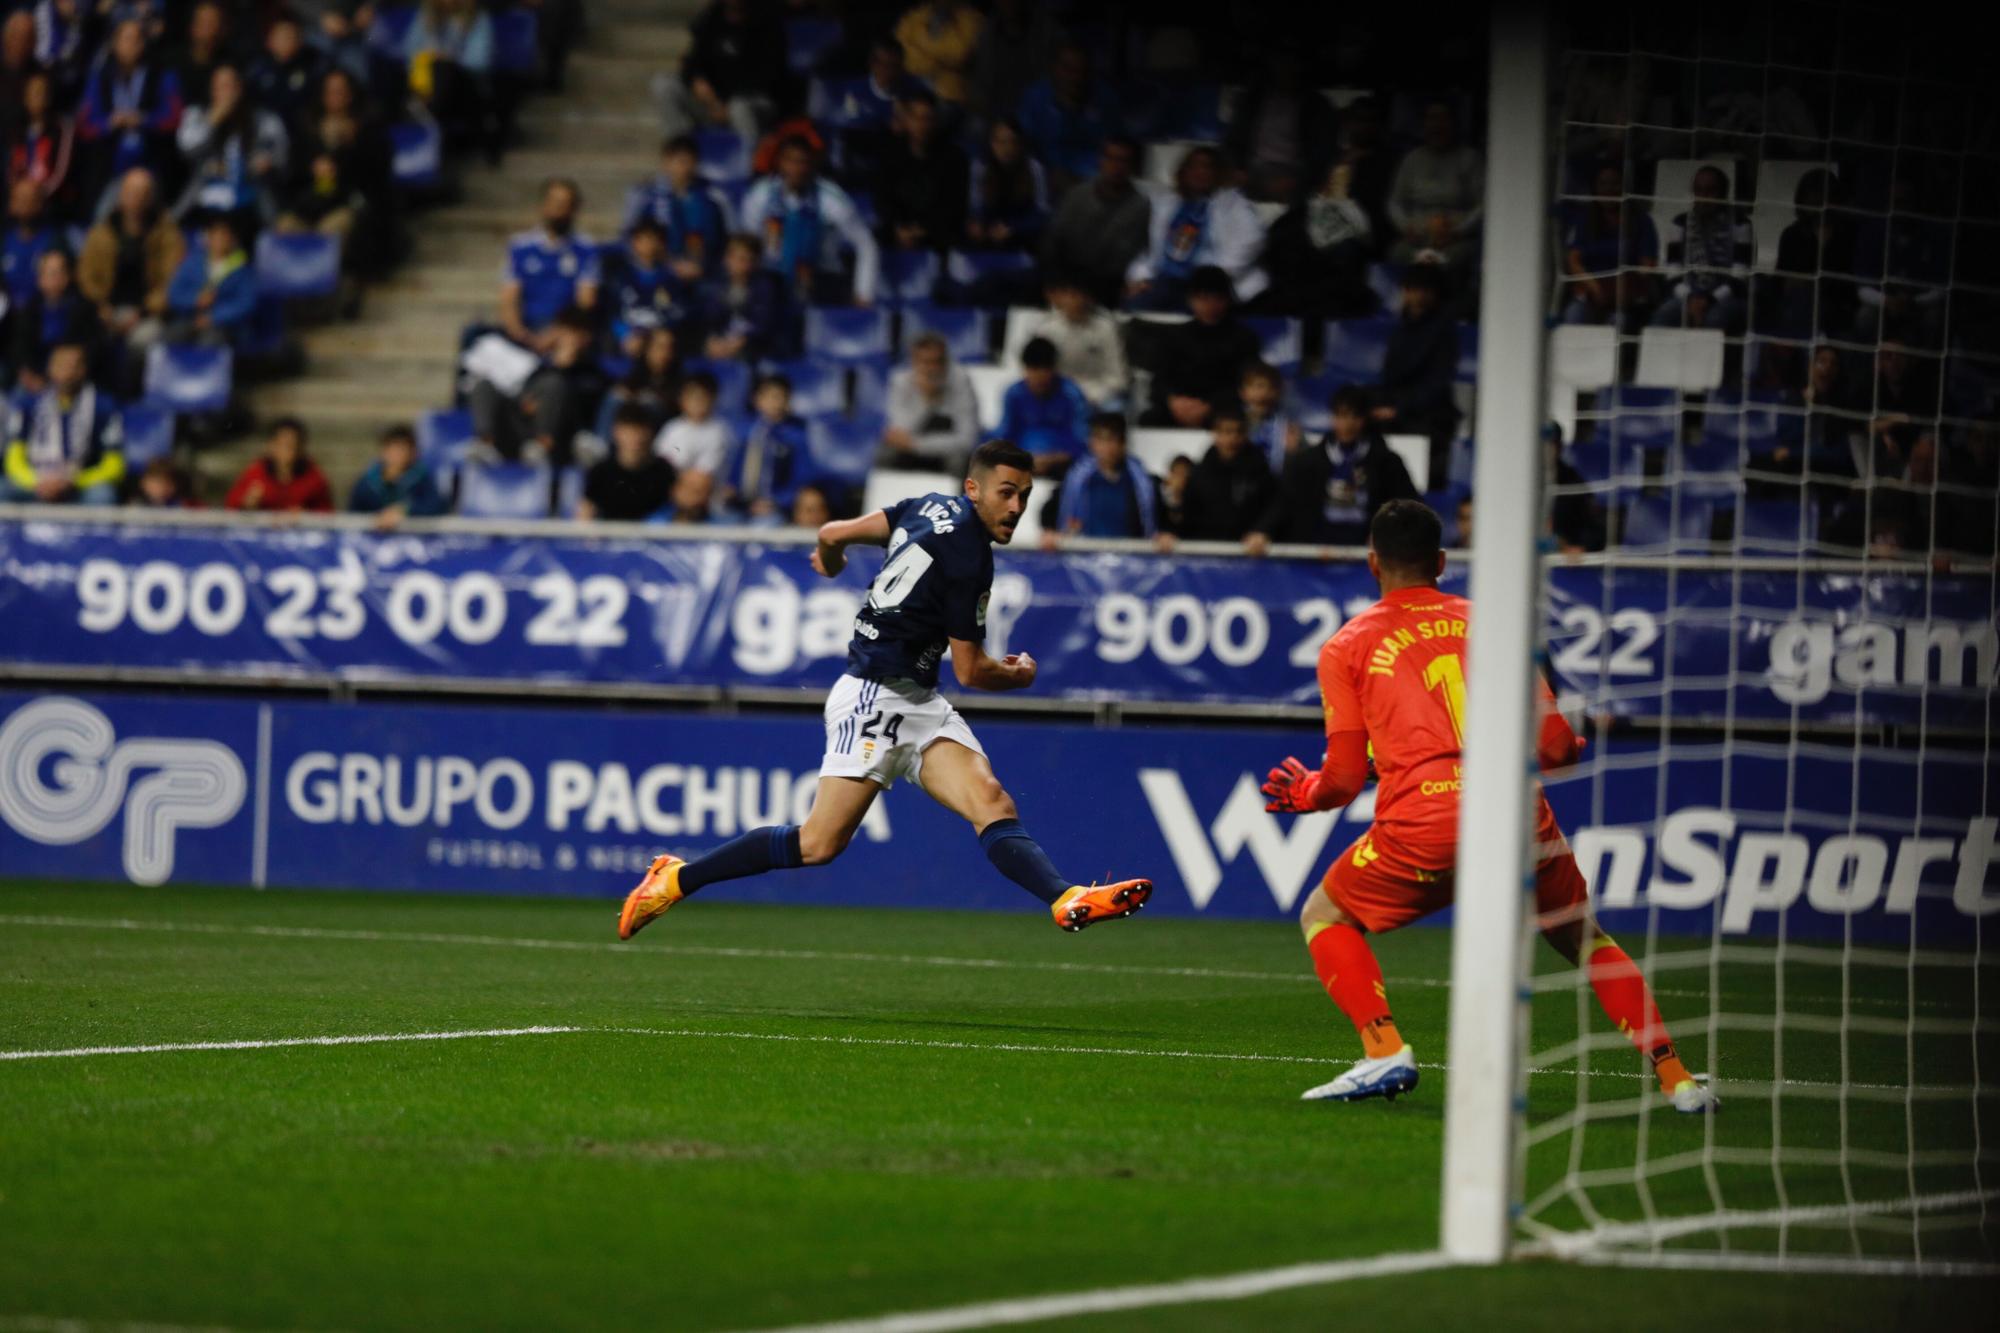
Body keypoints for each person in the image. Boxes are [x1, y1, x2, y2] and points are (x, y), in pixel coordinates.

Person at [1262, 500, 1714, 1113]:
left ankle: (1383, 1050)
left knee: (1326, 914)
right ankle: (1678, 1080)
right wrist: (1570, 741)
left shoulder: (1347, 645)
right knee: (1585, 939)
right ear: (1442, 562)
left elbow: (1340, 782)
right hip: (1516, 818)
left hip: (1426, 823)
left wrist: (1306, 793)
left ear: (1373, 564)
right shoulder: (1497, 624)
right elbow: (1555, 751)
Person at [616, 438, 1153, 941]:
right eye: (1006, 493)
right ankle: (676, 878)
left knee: (992, 800)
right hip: (874, 697)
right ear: (974, 489)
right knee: (818, 843)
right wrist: (1020, 675)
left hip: (916, 698)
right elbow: (972, 672)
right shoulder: (971, 561)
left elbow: (830, 533)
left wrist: (830, 561)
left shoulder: (927, 506)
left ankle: (1065, 897)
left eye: (1025, 497)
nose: (1016, 507)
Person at [1255, 385, 1419, 546]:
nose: (1347, 424)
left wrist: (1386, 533)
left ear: (1365, 419)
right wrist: (1262, 531)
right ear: (1332, 417)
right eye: (1341, 416)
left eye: (1355, 417)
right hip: (1313, 554)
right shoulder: (1306, 462)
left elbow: (1409, 505)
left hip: (1367, 555)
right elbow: (1282, 501)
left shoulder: (1387, 462)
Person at [738, 135, 879, 305]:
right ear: (780, 163)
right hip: (772, 278)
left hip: (822, 277)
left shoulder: (831, 199)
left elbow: (866, 244)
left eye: (802, 162)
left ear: (812, 165)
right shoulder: (760, 196)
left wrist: (863, 293)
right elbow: (748, 245)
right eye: (790, 161)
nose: (796, 169)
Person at [77, 167, 182, 393]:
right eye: (131, 191)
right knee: (85, 335)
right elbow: (86, 276)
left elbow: (173, 281)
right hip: (105, 310)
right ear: (121, 194)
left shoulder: (166, 233)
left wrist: (142, 312)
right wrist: (100, 307)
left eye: (143, 193)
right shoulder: (101, 232)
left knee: (146, 341)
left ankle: (133, 395)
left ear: (151, 198)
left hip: (146, 314)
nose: (136, 198)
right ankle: (95, 396)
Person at [1126, 145, 1268, 309]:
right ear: (1183, 171)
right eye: (1193, 166)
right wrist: (1139, 278)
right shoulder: (1166, 204)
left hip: (1206, 284)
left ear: (1218, 172)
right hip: (1165, 281)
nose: (1199, 172)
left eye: (1207, 166)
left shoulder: (1233, 203)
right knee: (1134, 305)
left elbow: (1253, 240)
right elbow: (1149, 250)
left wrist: (1215, 277)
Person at [76, 19, 184, 209]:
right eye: (126, 39)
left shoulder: (162, 75)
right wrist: (110, 123)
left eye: (138, 39)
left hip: (151, 164)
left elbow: (175, 118)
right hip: (109, 168)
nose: (133, 45)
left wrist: (144, 120)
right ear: (114, 43)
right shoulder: (99, 79)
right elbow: (85, 126)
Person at [469, 306, 600, 462]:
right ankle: (485, 444)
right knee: (484, 385)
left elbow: (582, 407)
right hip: (517, 422)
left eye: (578, 334)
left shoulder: (592, 372)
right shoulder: (533, 360)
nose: (572, 340)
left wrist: (563, 369)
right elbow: (517, 389)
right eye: (568, 332)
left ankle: (541, 447)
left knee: (555, 384)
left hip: (560, 436)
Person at [1, 341, 124, 505]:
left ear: (83, 369)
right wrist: (37, 481)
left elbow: (114, 463)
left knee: (102, 495)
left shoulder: (102, 406)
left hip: (79, 482)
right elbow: (13, 458)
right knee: (3, 490)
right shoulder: (29, 404)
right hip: (36, 481)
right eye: (61, 365)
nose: (67, 373)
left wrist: (75, 480)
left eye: (74, 366)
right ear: (50, 368)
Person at [1143, 265, 1261, 428]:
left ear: (1227, 299)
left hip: (1221, 410)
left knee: (1232, 422)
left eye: (1216, 298)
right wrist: (1173, 401)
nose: (1210, 305)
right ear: (1191, 299)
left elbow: (1245, 384)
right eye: (1203, 298)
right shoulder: (1173, 337)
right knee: (1149, 420)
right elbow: (1159, 381)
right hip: (1176, 408)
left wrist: (1209, 406)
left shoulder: (1244, 339)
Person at [655, 0, 785, 146]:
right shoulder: (712, 19)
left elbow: (766, 78)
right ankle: (681, 151)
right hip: (712, 104)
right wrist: (697, 81)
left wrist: (724, 104)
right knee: (665, 84)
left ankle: (750, 160)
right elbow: (692, 63)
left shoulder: (766, 22)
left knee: (739, 106)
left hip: (752, 104)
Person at [1039, 136, 1148, 309]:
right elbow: (1054, 240)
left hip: (1105, 283)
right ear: (1101, 161)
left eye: (1123, 160)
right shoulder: (1076, 195)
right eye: (1111, 158)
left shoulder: (1139, 206)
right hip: (1065, 276)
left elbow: (1122, 258)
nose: (1116, 166)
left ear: (1132, 166)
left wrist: (1079, 290)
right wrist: (1056, 282)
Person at [173, 64, 289, 223]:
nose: (226, 93)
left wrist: (269, 162)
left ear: (240, 89)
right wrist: (212, 121)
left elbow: (282, 157)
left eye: (230, 86)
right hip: (204, 197)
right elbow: (186, 149)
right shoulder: (196, 115)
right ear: (212, 90)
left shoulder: (264, 120)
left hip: (251, 198)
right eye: (220, 87)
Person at [1372, 262, 1459, 476]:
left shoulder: (1444, 332)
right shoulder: (1400, 330)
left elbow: (1437, 384)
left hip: (1428, 414)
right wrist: (1382, 404)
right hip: (1395, 408)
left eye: (1423, 289)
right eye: (1411, 289)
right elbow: (1388, 377)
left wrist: (1399, 408)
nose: (1417, 296)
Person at [1264, 160, 1377, 318]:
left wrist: (1344, 202)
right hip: (1303, 290)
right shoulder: (1299, 215)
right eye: (1337, 178)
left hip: (1341, 293)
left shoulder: (1352, 209)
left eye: (1346, 179)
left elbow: (1365, 235)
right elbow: (1318, 241)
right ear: (1326, 180)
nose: (1341, 182)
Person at [1385, 99, 1483, 275]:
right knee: (1397, 253)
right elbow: (1395, 202)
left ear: (1453, 123)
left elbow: (1483, 205)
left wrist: (1458, 232)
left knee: (1452, 260)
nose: (1437, 126)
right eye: (1432, 119)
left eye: (1443, 119)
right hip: (1417, 235)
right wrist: (1406, 227)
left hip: (1455, 239)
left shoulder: (1470, 159)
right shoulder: (1412, 159)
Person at [500, 178, 598, 351]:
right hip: (527, 326)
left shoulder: (585, 248)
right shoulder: (520, 246)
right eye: (555, 202)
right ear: (543, 205)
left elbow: (586, 301)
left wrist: (556, 333)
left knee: (570, 345)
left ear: (575, 209)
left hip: (565, 327)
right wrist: (519, 333)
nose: (559, 209)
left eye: (566, 204)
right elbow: (509, 299)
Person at [1559, 161, 1660, 331]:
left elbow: (1647, 266)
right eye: (1603, 184)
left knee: (1617, 324)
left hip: (1625, 298)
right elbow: (1573, 261)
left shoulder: (1641, 221)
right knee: (1573, 316)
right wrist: (1594, 287)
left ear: (1624, 187)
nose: (1609, 189)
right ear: (1595, 187)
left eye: (1615, 183)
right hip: (1590, 293)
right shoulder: (1585, 219)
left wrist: (1620, 289)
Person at [1651, 164, 1750, 330]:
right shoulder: (1680, 223)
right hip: (1687, 294)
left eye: (1710, 190)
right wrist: (1691, 299)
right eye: (1699, 190)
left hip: (1726, 296)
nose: (1704, 197)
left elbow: (1740, 277)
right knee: (1664, 315)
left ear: (1723, 193)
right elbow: (1672, 273)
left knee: (1715, 319)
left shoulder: (1741, 224)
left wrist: (1708, 300)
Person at [623, 135, 734, 282]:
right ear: (666, 162)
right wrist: (666, 265)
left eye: (690, 162)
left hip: (706, 274)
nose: (685, 168)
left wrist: (704, 267)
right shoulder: (645, 195)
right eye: (680, 161)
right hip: (657, 273)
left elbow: (731, 239)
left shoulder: (714, 196)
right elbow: (628, 238)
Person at [875, 88, 968, 256]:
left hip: (936, 238)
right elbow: (882, 198)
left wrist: (923, 231)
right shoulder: (890, 154)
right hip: (896, 233)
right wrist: (899, 228)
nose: (921, 125)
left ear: (936, 121)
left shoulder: (954, 158)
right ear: (907, 120)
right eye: (916, 118)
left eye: (927, 119)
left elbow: (953, 207)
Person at [404, 0, 498, 163]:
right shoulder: (424, 17)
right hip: (428, 86)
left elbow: (479, 61)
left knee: (444, 68)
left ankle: (427, 114)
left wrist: (449, 57)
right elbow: (409, 53)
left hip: (466, 88)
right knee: (434, 68)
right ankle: (429, 114)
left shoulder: (477, 19)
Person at [1016, 42, 1117, 190]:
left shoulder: (1105, 99)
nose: (1074, 77)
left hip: (1092, 177)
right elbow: (1023, 144)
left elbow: (1116, 146)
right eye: (1068, 69)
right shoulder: (1035, 97)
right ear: (1055, 69)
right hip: (1046, 175)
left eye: (1080, 70)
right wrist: (1047, 172)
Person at [1050, 413, 1157, 543]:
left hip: (1129, 553)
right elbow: (1054, 515)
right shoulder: (1075, 478)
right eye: (1099, 439)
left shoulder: (1141, 480)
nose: (1105, 447)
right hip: (1085, 553)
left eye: (1111, 439)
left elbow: (1155, 523)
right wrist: (1051, 531)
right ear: (1091, 443)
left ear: (1122, 444)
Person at [882, 330, 978, 471]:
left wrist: (917, 445)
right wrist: (927, 400)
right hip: (911, 450)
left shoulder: (961, 381)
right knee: (885, 455)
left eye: (937, 362)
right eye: (925, 362)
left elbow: (966, 440)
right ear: (913, 362)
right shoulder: (900, 382)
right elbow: (900, 432)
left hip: (944, 452)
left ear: (946, 361)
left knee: (959, 461)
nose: (932, 369)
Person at [1178, 409, 1276, 546]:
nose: (1233, 438)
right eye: (1227, 432)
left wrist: (1261, 531)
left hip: (1251, 554)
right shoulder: (1199, 474)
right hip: (1206, 553)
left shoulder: (1261, 471)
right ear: (1215, 434)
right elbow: (1188, 518)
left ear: (1246, 434)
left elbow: (1273, 508)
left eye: (1239, 432)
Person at [9, 249, 102, 392]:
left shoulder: (84, 307)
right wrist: (27, 372)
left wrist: (73, 367)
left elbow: (93, 346)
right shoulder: (30, 309)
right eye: (48, 273)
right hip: (37, 378)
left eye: (58, 273)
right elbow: (21, 347)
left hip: (74, 379)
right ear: (39, 279)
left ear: (67, 276)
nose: (54, 278)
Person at [1027, 272, 1124, 408]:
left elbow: (1117, 376)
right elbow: (1038, 371)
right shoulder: (1047, 330)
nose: (1074, 301)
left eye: (1078, 295)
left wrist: (1092, 396)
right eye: (1069, 295)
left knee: (1114, 409)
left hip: (1097, 394)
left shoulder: (1106, 329)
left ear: (1089, 298)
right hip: (1058, 394)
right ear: (1060, 297)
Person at [996, 336, 1090, 476]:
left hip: (1064, 469)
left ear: (1054, 369)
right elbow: (1005, 434)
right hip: (1019, 466)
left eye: (1045, 369)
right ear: (1025, 369)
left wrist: (1053, 459)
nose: (1040, 376)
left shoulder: (1071, 395)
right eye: (1034, 369)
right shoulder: (1014, 395)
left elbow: (1082, 439)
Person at [164, 210, 258, 347]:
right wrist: (195, 300)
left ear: (234, 239)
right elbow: (174, 294)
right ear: (208, 238)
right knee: (169, 337)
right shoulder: (192, 263)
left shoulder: (242, 268)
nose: (220, 239)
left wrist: (214, 317)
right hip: (190, 319)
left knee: (210, 341)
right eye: (215, 234)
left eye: (225, 235)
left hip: (224, 325)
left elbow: (246, 303)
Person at [697, 231, 793, 362]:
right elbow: (708, 318)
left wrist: (735, 345)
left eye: (750, 260)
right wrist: (711, 340)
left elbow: (762, 325)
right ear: (727, 259)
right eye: (740, 259)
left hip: (751, 348)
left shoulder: (766, 287)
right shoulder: (715, 284)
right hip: (720, 344)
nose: (745, 266)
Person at [722, 371, 805, 519]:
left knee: (766, 526)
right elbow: (734, 469)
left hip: (773, 507)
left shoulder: (795, 436)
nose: (774, 403)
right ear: (757, 399)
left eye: (780, 397)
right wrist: (731, 488)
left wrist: (776, 501)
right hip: (740, 504)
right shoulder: (745, 432)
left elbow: (799, 480)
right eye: (769, 397)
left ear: (787, 401)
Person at [603, 219, 686, 359]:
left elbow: (675, 313)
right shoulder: (620, 277)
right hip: (626, 340)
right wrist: (625, 334)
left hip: (658, 339)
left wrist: (650, 335)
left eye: (655, 239)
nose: (649, 244)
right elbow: (611, 313)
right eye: (644, 239)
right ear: (634, 242)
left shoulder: (671, 280)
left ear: (662, 244)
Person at [579, 402, 676, 521]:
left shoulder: (663, 471)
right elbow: (586, 511)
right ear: (616, 432)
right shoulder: (600, 472)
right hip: (609, 537)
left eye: (639, 429)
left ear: (650, 432)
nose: (634, 436)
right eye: (628, 430)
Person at [963, 116, 1047, 252]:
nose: (1007, 148)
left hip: (1022, 235)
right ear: (992, 143)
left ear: (1020, 145)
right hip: (988, 234)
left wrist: (1014, 228)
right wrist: (977, 225)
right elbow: (975, 207)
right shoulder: (980, 167)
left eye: (1012, 142)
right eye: (1001, 142)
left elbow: (1042, 213)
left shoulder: (1034, 167)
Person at [225, 416, 332, 512]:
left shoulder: (313, 477)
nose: (286, 451)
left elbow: (326, 514)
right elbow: (231, 506)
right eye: (281, 445)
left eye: (292, 445)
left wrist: (306, 515)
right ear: (271, 445)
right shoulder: (256, 474)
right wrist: (247, 504)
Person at [348, 424, 448, 527]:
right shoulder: (367, 483)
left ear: (412, 453)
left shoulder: (423, 479)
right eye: (392, 448)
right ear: (383, 451)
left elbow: (436, 506)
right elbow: (353, 514)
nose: (395, 455)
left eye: (401, 449)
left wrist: (405, 510)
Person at [7, 72, 77, 214]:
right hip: (20, 201)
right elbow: (11, 168)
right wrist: (19, 194)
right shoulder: (18, 130)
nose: (36, 97)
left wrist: (38, 195)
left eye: (40, 92)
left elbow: (61, 171)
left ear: (49, 96)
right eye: (32, 92)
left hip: (52, 202)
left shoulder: (61, 129)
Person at [894, 0, 983, 106]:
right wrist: (937, 61)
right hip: (910, 78)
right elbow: (898, 43)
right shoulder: (921, 12)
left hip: (944, 93)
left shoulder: (972, 19)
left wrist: (919, 52)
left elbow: (960, 55)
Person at [654, 371, 733, 484]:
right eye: (691, 396)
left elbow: (704, 472)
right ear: (682, 399)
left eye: (702, 397)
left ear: (713, 399)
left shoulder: (720, 431)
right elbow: (658, 459)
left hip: (705, 491)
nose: (696, 402)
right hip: (670, 485)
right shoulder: (672, 426)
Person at [3, 179, 58, 306]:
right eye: (19, 198)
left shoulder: (54, 240)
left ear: (40, 203)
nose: (23, 203)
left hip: (39, 314)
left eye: (28, 198)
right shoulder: (4, 239)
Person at [1239, 361, 1301, 470]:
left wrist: (1292, 452)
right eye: (1258, 386)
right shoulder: (1233, 420)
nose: (1264, 393)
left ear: (1278, 392)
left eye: (1271, 387)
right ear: (1243, 392)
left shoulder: (1287, 424)